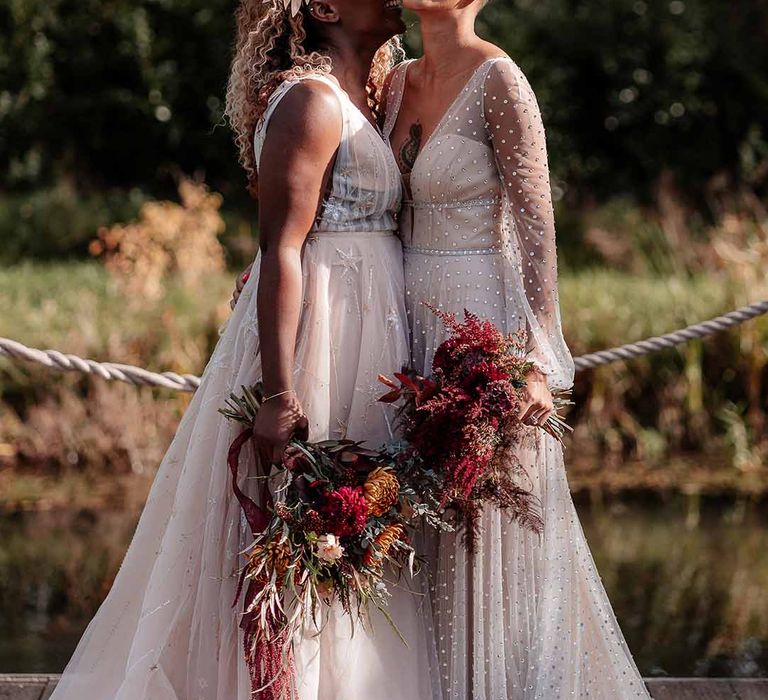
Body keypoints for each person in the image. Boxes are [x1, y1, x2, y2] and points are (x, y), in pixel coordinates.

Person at [49, 1, 439, 698]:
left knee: (357, 534)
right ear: (322, 8)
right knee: (305, 533)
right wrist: (280, 396)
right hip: (321, 344)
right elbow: (281, 249)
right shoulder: (311, 104)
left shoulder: (370, 97)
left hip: (371, 339)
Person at [380, 1, 652, 698]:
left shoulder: (501, 79)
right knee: (419, 514)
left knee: (487, 515)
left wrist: (534, 352)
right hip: (404, 317)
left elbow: (535, 219)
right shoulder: (395, 78)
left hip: (482, 313)